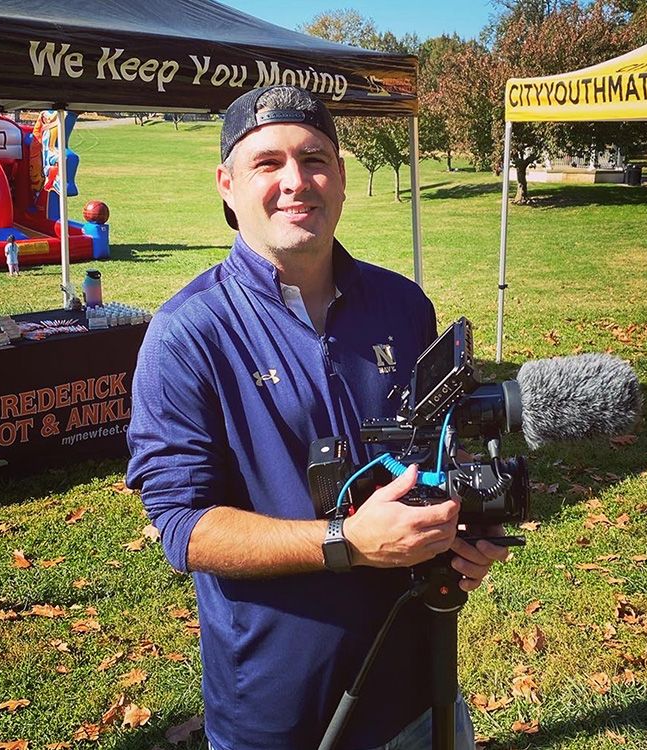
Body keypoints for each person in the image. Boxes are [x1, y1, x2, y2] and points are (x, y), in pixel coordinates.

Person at [126, 86, 507, 750]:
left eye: (315, 158)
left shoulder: (403, 304)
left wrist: (459, 538)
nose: (296, 181)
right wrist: (349, 543)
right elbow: (183, 530)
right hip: (280, 713)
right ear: (227, 184)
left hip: (420, 691)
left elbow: (432, 456)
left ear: (341, 176)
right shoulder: (187, 333)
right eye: (267, 163)